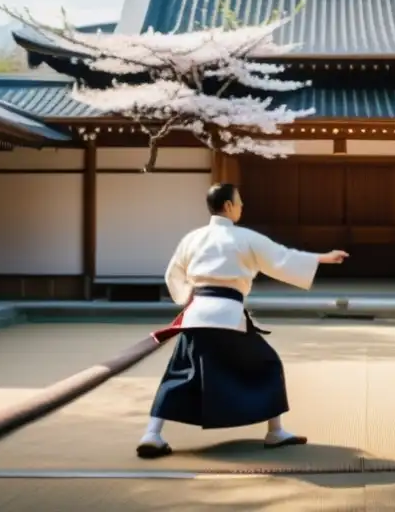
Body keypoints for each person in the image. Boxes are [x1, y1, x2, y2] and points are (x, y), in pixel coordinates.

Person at [136, 182, 349, 459]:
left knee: (180, 373)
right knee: (267, 364)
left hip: (197, 313)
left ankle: (152, 434)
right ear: (228, 206)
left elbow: (172, 274)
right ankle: (275, 431)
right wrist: (325, 258)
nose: (242, 207)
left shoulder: (192, 238)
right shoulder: (245, 238)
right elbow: (282, 257)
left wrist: (188, 295)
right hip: (227, 315)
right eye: (239, 202)